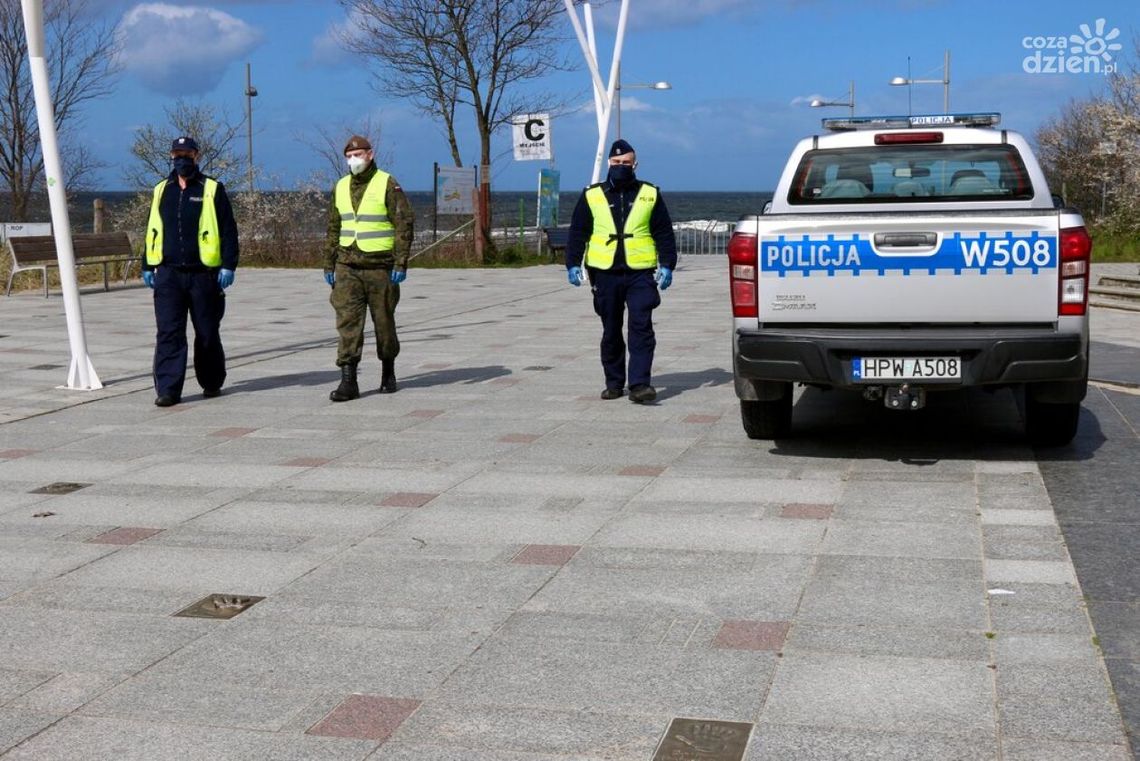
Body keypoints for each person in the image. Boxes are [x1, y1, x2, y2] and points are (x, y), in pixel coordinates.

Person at [565, 138, 677, 403]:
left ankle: (640, 384)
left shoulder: (650, 193)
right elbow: (578, 231)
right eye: (616, 163)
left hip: (640, 272)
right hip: (604, 273)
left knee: (641, 326)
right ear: (609, 164)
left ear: (635, 164)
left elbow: (663, 232)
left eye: (626, 162)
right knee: (611, 329)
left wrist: (667, 265)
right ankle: (614, 382)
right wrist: (572, 263)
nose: (621, 166)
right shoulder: (592, 195)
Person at [142, 136, 239, 407]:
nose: (181, 158)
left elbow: (228, 230)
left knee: (207, 332)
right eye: (176, 153)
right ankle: (168, 389)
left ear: (196, 156)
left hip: (203, 275)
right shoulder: (162, 189)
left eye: (186, 154)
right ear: (171, 156)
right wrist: (147, 264)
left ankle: (211, 381)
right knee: (169, 333)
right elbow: (153, 228)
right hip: (169, 274)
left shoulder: (211, 189)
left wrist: (229, 264)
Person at [324, 135, 414, 401]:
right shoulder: (340, 186)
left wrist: (400, 261)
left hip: (380, 267)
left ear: (370, 155)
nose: (354, 160)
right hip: (347, 265)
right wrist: (328, 262)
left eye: (358, 155)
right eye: (350, 156)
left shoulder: (387, 183)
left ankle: (388, 371)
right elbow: (333, 226)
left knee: (384, 323)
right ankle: (348, 381)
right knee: (347, 323)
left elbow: (404, 222)